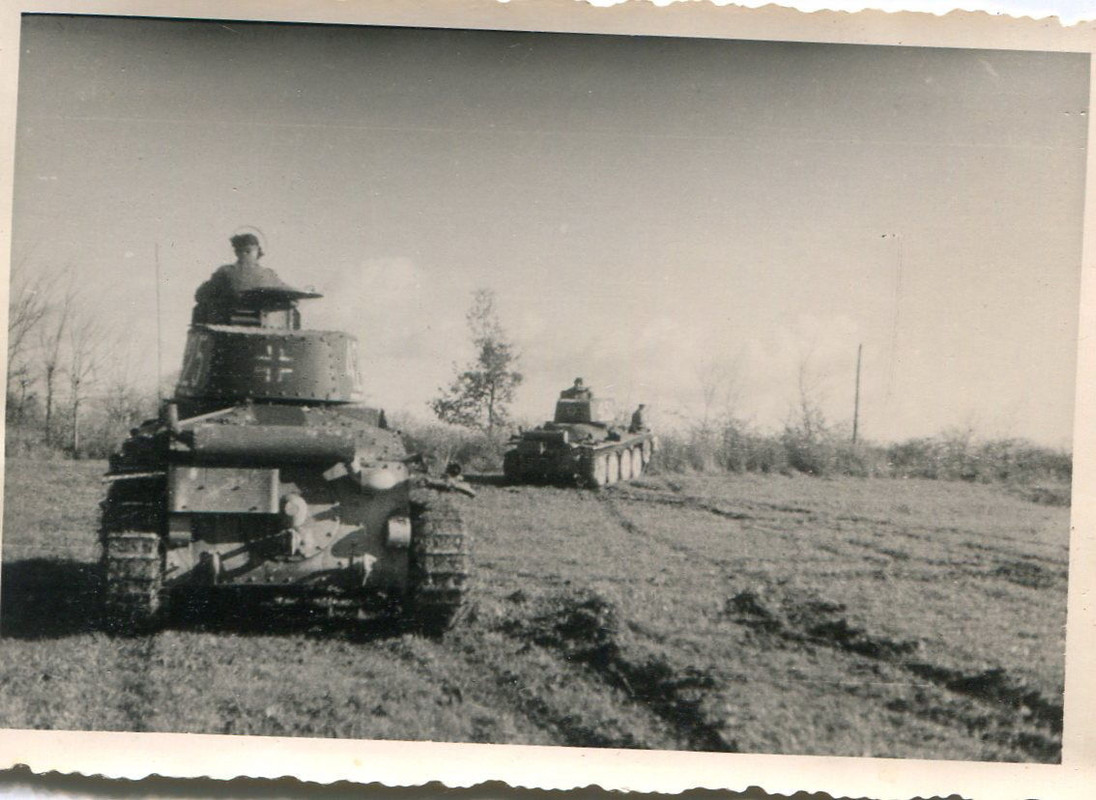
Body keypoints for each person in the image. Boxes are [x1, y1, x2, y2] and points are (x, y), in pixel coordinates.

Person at [192, 233, 294, 324]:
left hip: (226, 325)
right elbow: (289, 293)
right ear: (258, 252)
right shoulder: (269, 274)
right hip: (263, 325)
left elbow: (200, 295)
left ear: (237, 252)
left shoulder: (224, 272)